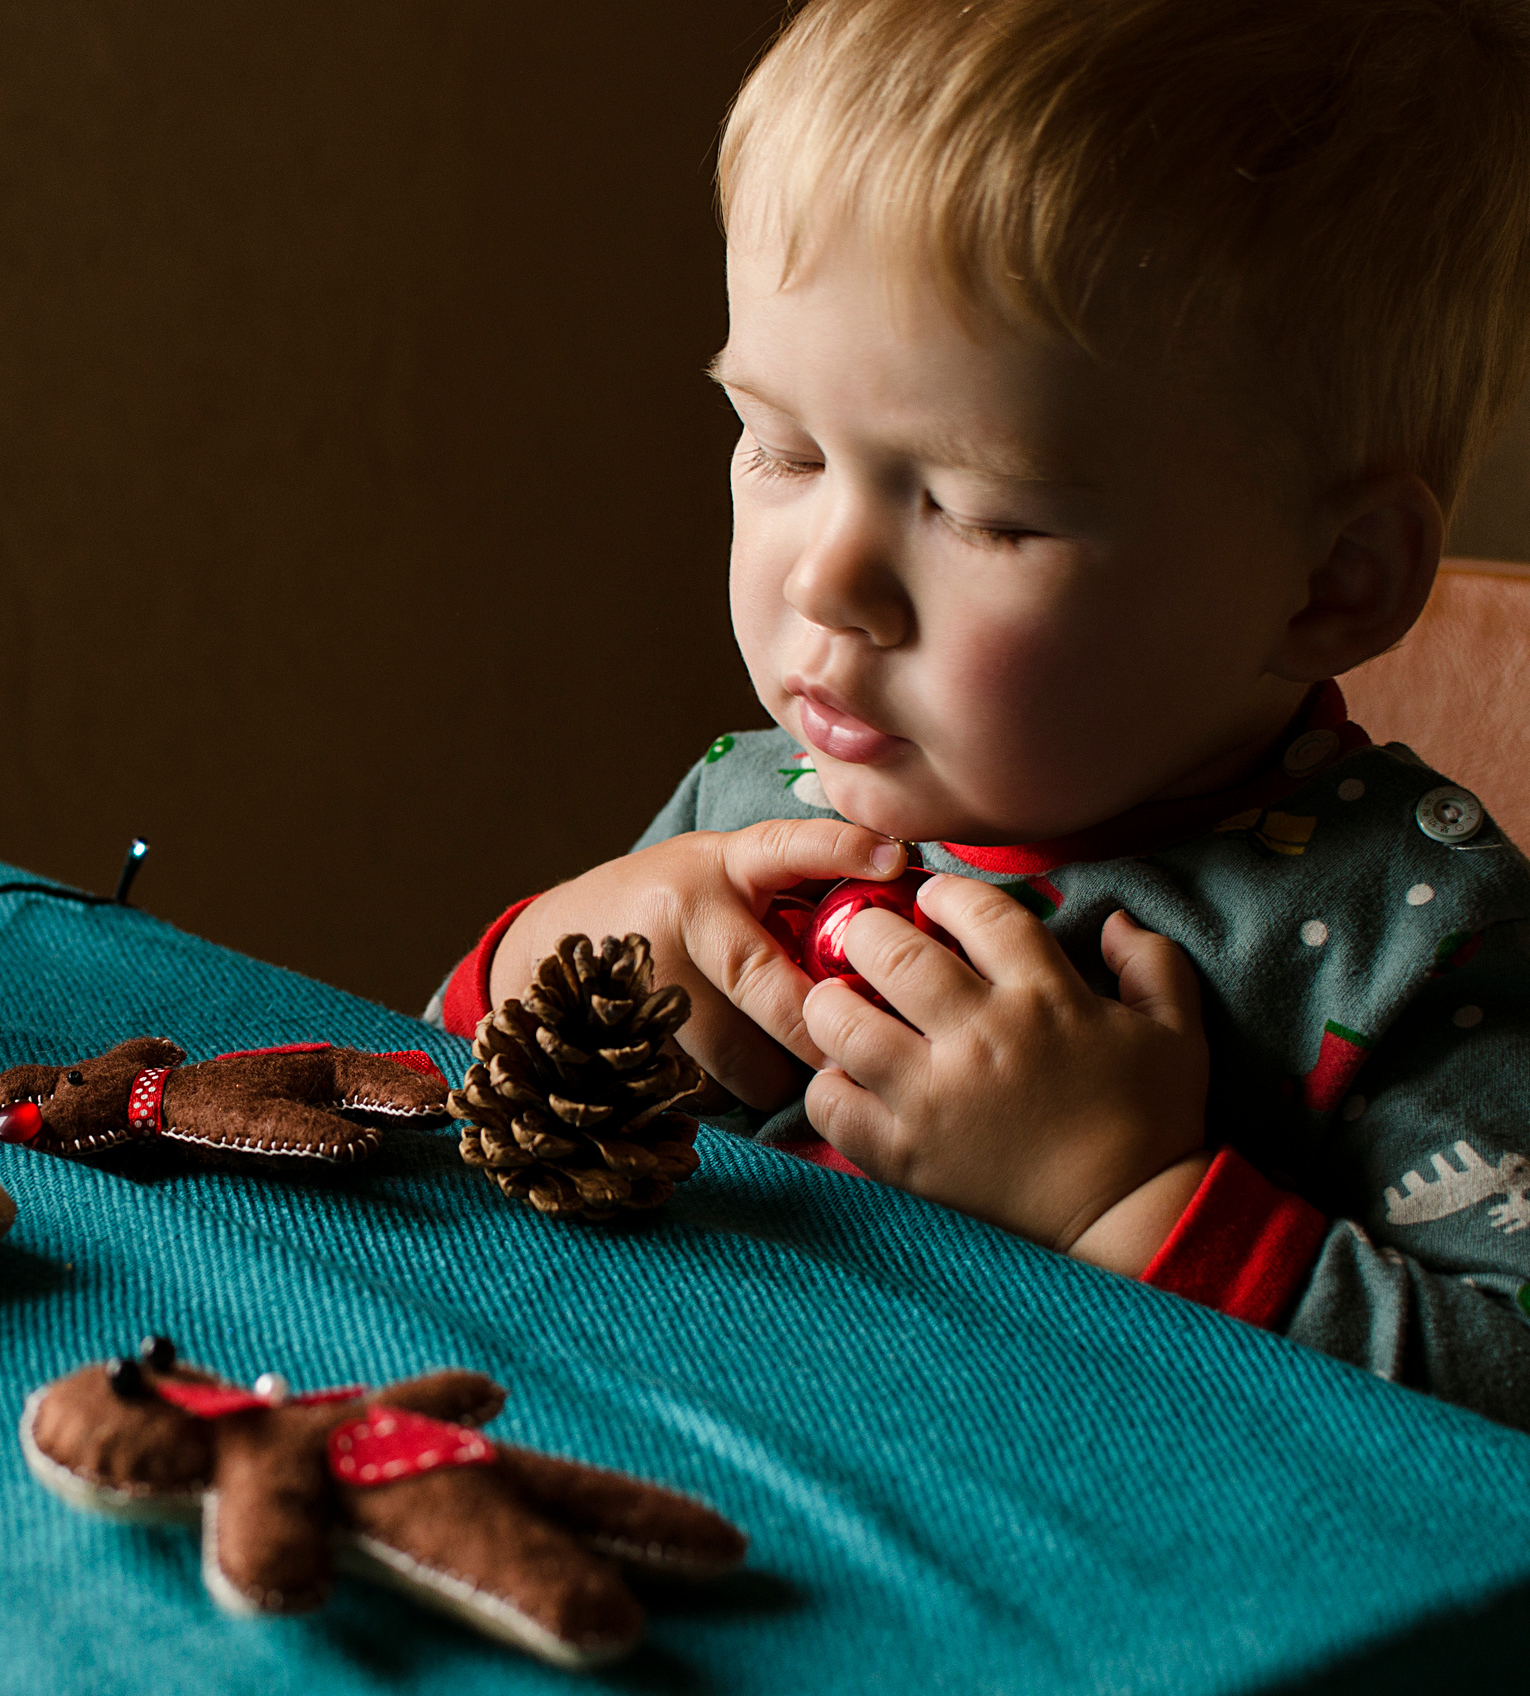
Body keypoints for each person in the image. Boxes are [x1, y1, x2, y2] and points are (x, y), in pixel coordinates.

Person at [430, 0, 1530, 1428]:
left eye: (980, 513)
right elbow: (419, 1149)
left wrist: (1128, 1201)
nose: (825, 579)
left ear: (1331, 582)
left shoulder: (1409, 947)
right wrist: (545, 966)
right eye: (779, 446)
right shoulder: (754, 814)